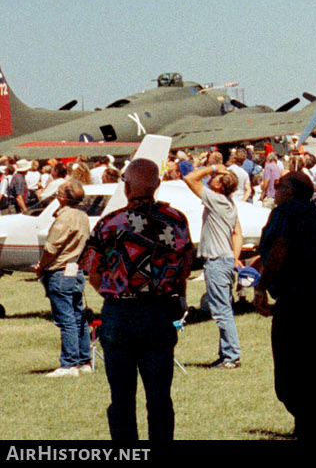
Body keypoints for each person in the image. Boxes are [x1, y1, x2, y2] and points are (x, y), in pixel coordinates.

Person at [81, 158, 194, 440]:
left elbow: (92, 269)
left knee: (121, 399)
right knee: (159, 398)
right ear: (157, 185)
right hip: (158, 313)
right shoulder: (176, 220)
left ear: (127, 187)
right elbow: (186, 265)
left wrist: (115, 291)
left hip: (119, 315)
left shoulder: (111, 223)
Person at [256, 172, 316, 438]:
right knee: (311, 370)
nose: (275, 190)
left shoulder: (285, 213)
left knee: (288, 378)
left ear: (290, 191)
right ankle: (309, 427)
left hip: (295, 303)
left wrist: (261, 286)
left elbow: (280, 248)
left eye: (279, 185)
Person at [182, 161, 244, 368]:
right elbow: (238, 233)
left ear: (218, 186)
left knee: (221, 311)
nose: (210, 180)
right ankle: (226, 353)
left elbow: (190, 178)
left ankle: (231, 356)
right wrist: (234, 258)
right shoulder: (229, 203)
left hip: (217, 262)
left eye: (214, 179)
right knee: (224, 308)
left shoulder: (216, 200)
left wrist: (214, 168)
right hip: (224, 260)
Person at [36, 178, 92, 377]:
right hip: (75, 270)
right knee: (79, 316)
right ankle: (85, 360)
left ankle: (69, 364)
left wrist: (41, 266)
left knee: (66, 319)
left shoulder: (64, 217)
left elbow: (52, 247)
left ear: (63, 197)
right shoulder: (83, 216)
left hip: (59, 271)